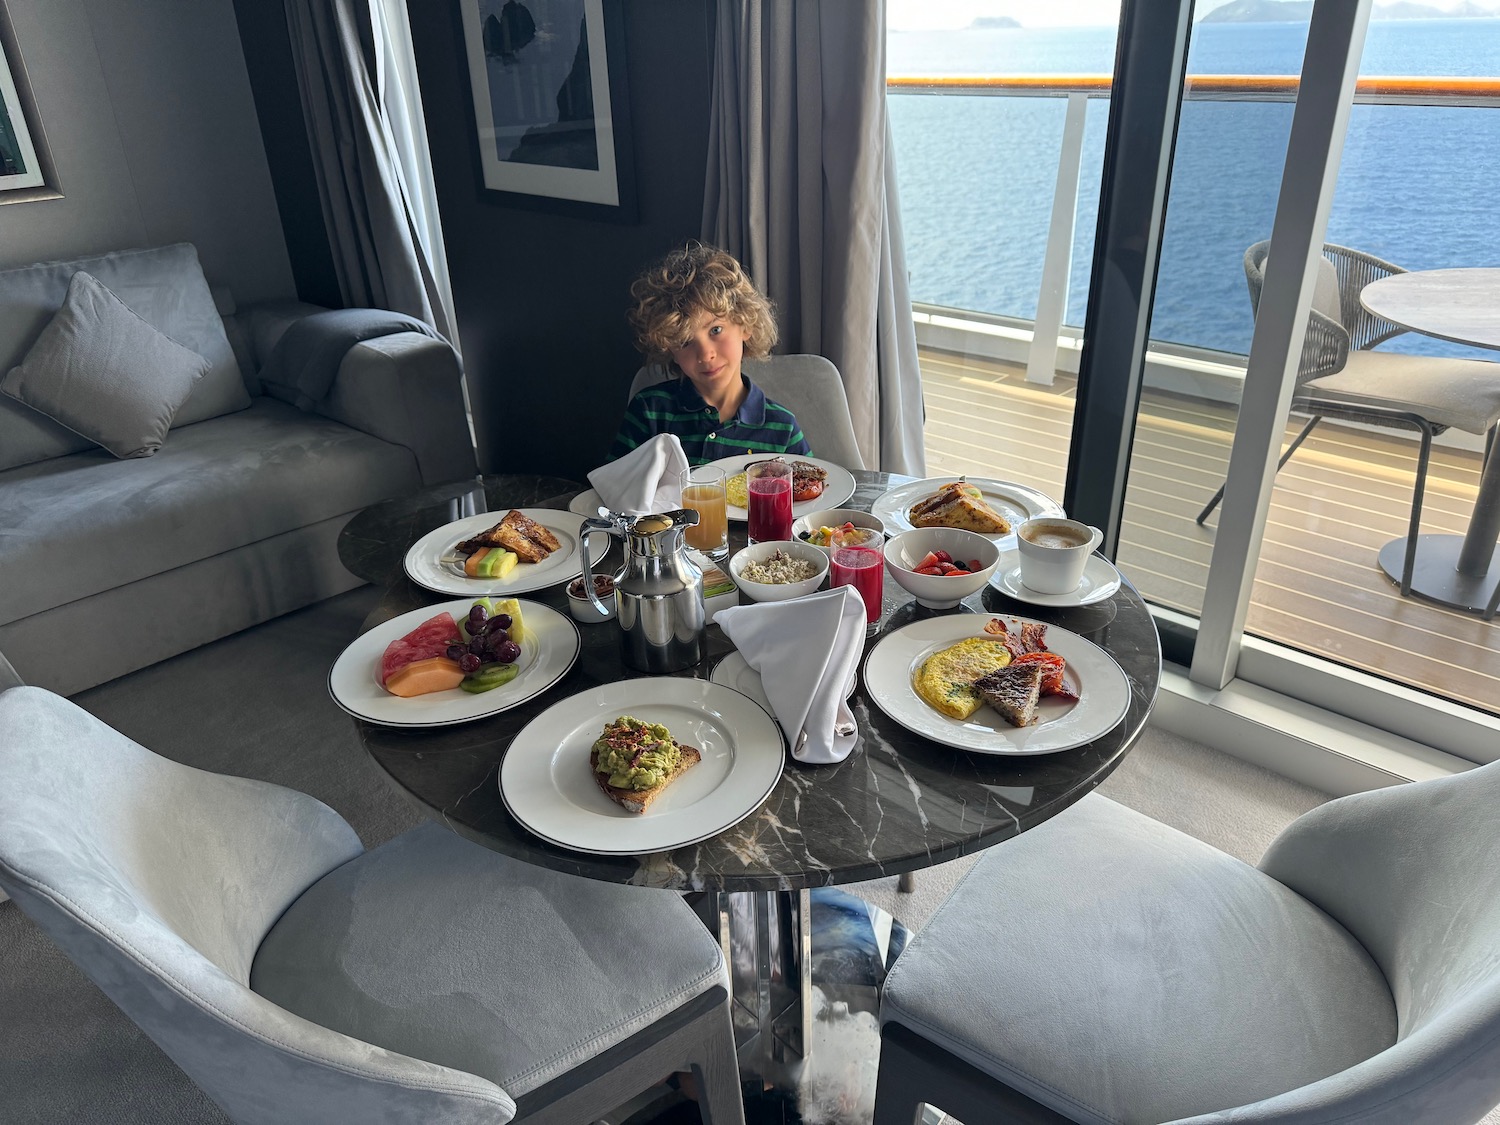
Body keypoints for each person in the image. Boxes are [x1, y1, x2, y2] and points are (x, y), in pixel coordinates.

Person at [610, 242, 811, 464]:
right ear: (669, 349)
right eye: (685, 341)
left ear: (745, 325)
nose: (705, 355)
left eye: (716, 330)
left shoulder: (782, 427)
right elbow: (614, 491)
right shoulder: (649, 412)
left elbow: (813, 494)